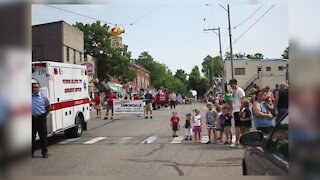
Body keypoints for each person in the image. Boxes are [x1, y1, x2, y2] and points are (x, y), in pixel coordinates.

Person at [32, 83, 50, 158]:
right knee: (31, 137)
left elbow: (48, 106)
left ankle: (44, 153)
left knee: (43, 136)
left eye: (36, 87)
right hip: (32, 118)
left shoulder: (44, 97)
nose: (35, 88)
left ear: (39, 88)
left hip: (41, 118)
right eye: (33, 87)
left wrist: (45, 114)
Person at [228, 79, 246, 148]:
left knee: (238, 126)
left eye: (231, 84)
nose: (231, 86)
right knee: (238, 126)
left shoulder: (240, 90)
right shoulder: (234, 91)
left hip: (239, 110)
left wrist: (241, 110)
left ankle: (238, 141)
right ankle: (240, 141)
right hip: (235, 110)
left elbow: (243, 100)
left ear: (235, 83)